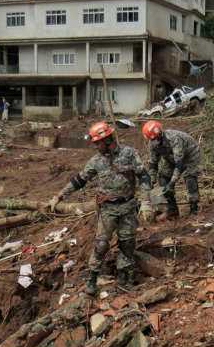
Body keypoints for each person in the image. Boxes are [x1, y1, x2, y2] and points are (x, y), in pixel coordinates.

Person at [48, 122, 153, 295]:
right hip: (107, 210)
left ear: (108, 139)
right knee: (101, 244)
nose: (96, 146)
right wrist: (59, 195)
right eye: (95, 143)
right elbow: (79, 180)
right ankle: (92, 279)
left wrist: (147, 202)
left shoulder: (129, 154)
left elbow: (144, 177)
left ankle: (123, 278)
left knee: (127, 244)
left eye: (98, 142)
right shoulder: (96, 161)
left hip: (128, 207)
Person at [141, 120, 202, 219]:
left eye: (156, 138)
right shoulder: (152, 143)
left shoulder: (174, 139)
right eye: (152, 140)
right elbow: (153, 162)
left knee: (190, 177)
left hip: (190, 156)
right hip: (170, 157)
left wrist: (172, 183)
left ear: (160, 134)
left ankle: (194, 207)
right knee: (163, 178)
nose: (154, 142)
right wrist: (151, 180)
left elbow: (179, 164)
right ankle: (172, 209)